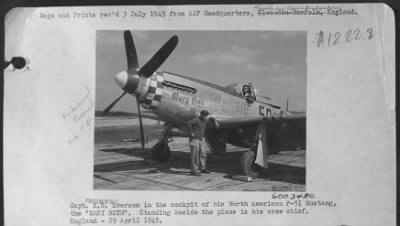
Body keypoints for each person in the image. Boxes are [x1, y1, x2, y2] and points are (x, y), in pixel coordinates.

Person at [186, 110, 212, 176]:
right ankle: (194, 170)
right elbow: (188, 123)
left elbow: (211, 119)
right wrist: (191, 132)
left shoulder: (205, 121)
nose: (206, 116)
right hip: (195, 139)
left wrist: (215, 121)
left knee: (203, 154)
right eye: (205, 115)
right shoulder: (196, 120)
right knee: (195, 155)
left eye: (207, 115)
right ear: (201, 115)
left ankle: (202, 168)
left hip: (201, 139)